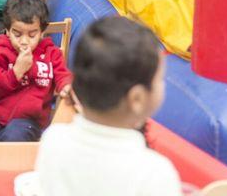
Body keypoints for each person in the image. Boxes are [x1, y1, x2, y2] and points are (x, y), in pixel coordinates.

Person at [34, 17, 181, 196]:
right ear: (137, 99)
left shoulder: (53, 140)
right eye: (159, 79)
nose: (162, 85)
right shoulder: (156, 174)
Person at [0, 0, 72, 177]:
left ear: (42, 31)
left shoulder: (51, 54)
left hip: (30, 120)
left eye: (32, 34)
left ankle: (5, 186)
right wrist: (16, 72)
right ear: (7, 30)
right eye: (17, 34)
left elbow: (63, 75)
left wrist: (67, 87)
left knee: (11, 142)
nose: (24, 41)